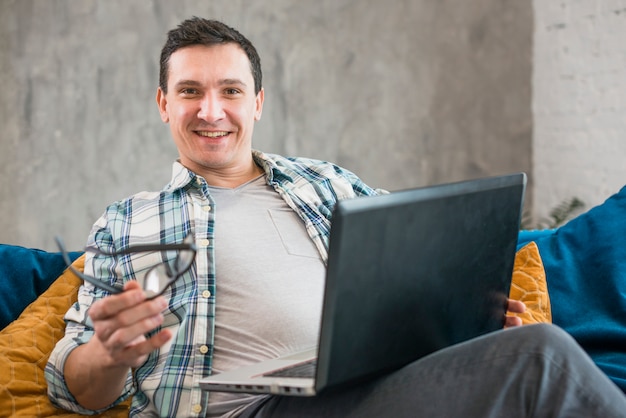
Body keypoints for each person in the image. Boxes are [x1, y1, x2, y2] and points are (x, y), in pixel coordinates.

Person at [45, 17, 626, 417]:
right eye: (191, 91)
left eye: (231, 90)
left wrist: (469, 317)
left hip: (373, 383)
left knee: (523, 354)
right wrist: (110, 353)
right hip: (253, 409)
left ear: (258, 102)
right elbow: (73, 385)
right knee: (541, 357)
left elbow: (416, 267)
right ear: (163, 104)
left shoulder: (326, 181)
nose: (211, 111)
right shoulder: (131, 223)